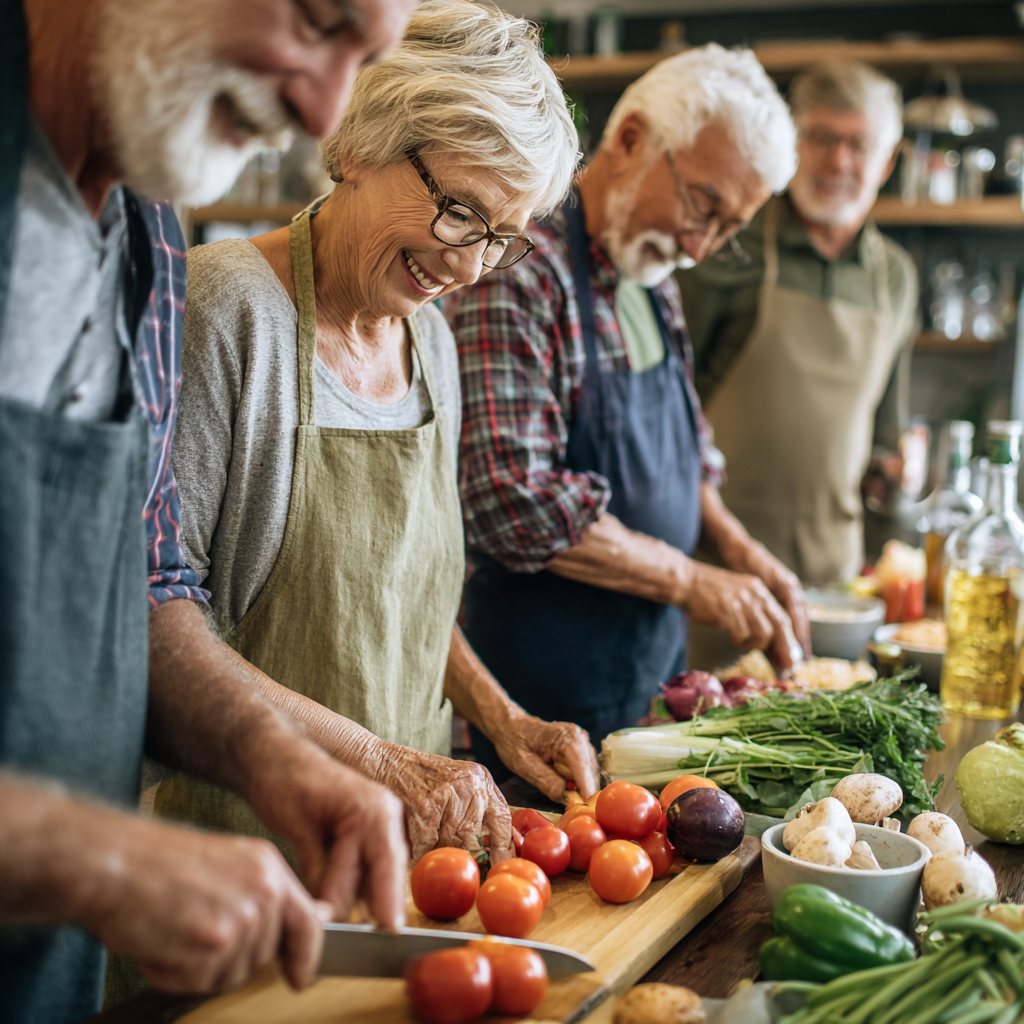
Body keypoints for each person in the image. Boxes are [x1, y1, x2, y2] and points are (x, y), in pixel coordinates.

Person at [0, 0, 418, 1020]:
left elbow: (138, 587)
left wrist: (266, 753)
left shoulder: (146, 229)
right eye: (319, 20)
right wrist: (95, 858)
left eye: (361, 59)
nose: (322, 113)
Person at [159, 0, 599, 868]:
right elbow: (158, 631)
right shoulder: (222, 314)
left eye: (504, 238)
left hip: (413, 859)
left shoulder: (430, 341)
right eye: (461, 212)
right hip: (242, 857)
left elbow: (405, 604)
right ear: (362, 140)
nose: (470, 266)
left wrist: (499, 718)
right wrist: (379, 762)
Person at [445, 45, 811, 785]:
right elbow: (510, 500)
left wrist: (738, 551)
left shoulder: (650, 275)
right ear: (634, 138)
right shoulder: (519, 268)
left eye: (727, 228)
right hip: (538, 700)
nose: (700, 245)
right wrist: (696, 583)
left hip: (648, 677)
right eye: (703, 206)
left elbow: (689, 452)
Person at [677, 61, 918, 586]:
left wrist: (893, 467)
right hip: (716, 564)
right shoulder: (730, 242)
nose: (838, 160)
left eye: (859, 144)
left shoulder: (895, 277)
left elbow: (885, 426)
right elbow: (667, 403)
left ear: (887, 162)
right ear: (791, 142)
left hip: (836, 572)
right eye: (822, 138)